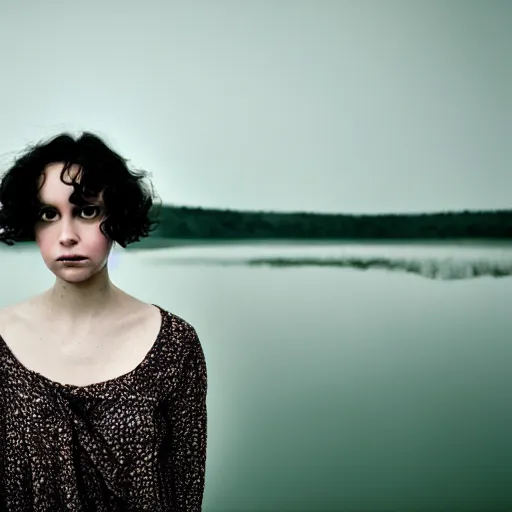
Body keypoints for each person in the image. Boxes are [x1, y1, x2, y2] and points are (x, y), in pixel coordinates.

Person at [0, 132, 207, 510]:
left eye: (87, 211)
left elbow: (186, 490)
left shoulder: (175, 344)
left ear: (116, 215)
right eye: (49, 214)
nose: (67, 236)